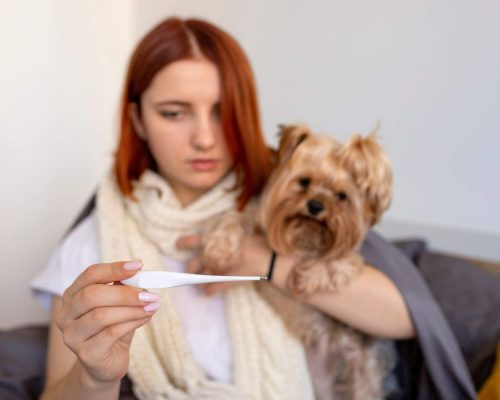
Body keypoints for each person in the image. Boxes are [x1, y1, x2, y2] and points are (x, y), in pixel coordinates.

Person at [30, 17, 476, 400]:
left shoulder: (285, 200)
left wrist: (263, 259)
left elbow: (407, 317)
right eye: (174, 113)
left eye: (223, 112)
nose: (204, 137)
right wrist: (93, 376)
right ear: (137, 121)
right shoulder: (97, 238)